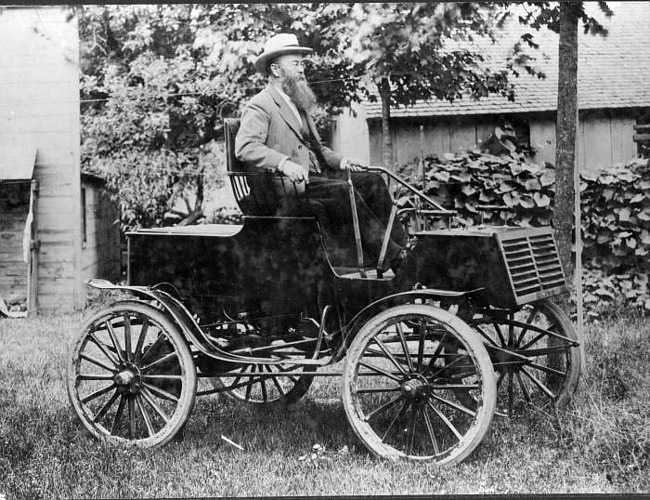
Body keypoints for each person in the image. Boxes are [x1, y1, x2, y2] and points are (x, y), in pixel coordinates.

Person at [235, 33, 406, 272]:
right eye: (295, 63)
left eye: (302, 63)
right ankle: (392, 256)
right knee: (344, 190)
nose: (302, 69)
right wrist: (284, 163)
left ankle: (403, 246)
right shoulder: (260, 105)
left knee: (373, 181)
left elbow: (318, 148)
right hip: (287, 187)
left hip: (314, 178)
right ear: (275, 69)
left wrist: (344, 160)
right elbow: (245, 146)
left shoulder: (297, 103)